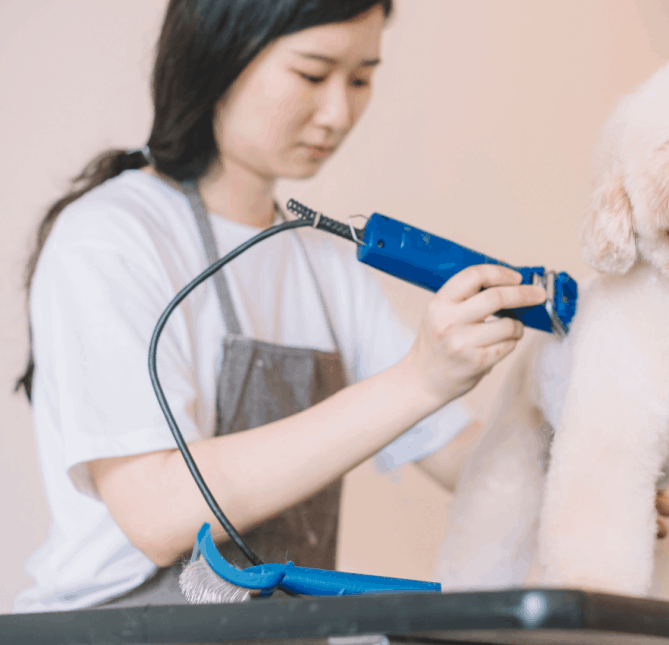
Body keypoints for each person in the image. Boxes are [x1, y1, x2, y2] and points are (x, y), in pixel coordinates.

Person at [12, 0, 545, 612]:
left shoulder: (322, 262)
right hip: (115, 626)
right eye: (313, 75)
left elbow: (454, 451)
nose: (339, 112)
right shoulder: (110, 236)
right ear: (220, 57)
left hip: (269, 626)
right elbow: (156, 513)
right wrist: (420, 378)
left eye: (362, 78)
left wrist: (587, 483)